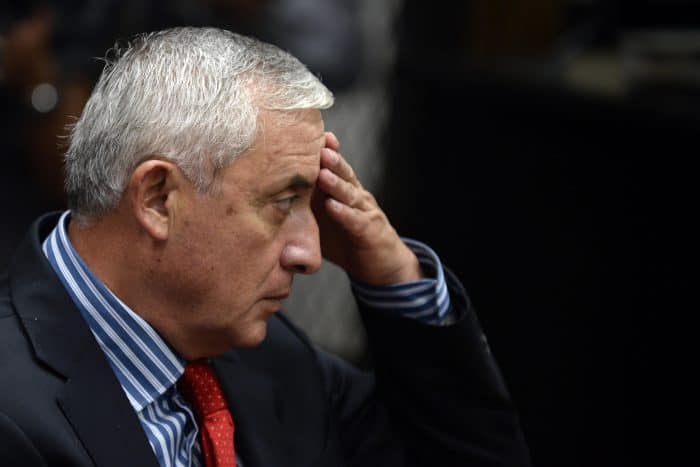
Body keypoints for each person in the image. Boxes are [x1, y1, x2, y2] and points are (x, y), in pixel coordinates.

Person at [0, 27, 530, 467]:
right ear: (158, 198)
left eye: (314, 202)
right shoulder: (13, 414)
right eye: (284, 201)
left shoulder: (271, 358)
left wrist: (395, 276)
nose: (311, 254)